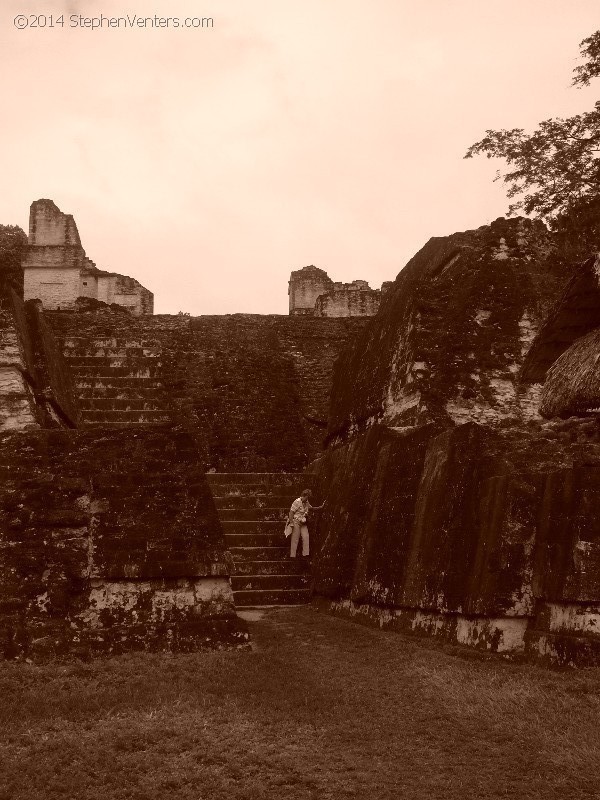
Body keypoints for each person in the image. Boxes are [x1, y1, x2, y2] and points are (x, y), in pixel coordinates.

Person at [287, 489, 324, 558]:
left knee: (306, 537)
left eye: (308, 498)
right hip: (296, 522)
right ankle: (292, 555)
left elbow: (311, 508)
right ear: (304, 495)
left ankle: (305, 554)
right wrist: (291, 523)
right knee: (295, 538)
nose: (307, 499)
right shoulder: (297, 502)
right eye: (307, 497)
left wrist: (320, 507)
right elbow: (291, 512)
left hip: (303, 522)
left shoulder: (306, 502)